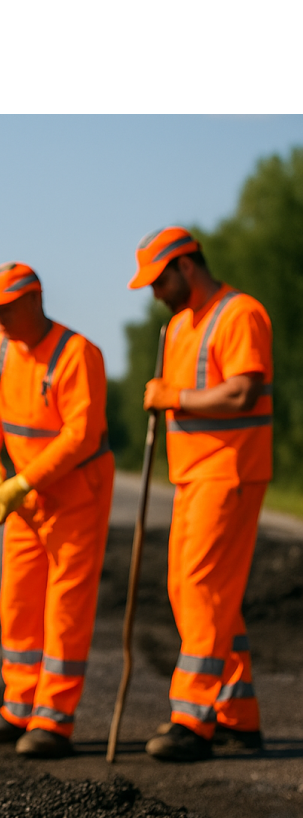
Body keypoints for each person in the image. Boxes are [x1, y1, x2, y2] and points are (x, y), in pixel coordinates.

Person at [129, 226, 272, 762]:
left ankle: (192, 719)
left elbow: (242, 390)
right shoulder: (181, 326)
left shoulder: (240, 314)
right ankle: (239, 715)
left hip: (230, 471)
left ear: (186, 266)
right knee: (193, 591)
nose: (153, 293)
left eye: (158, 281)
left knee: (203, 587)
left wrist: (175, 396)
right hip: (193, 476)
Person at [0, 261, 114, 759]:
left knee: (65, 607)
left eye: (6, 309)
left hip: (75, 494)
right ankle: (19, 707)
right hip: (25, 498)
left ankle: (54, 717)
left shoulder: (77, 354)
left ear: (35, 300)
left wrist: (23, 481)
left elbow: (80, 435)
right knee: (19, 601)